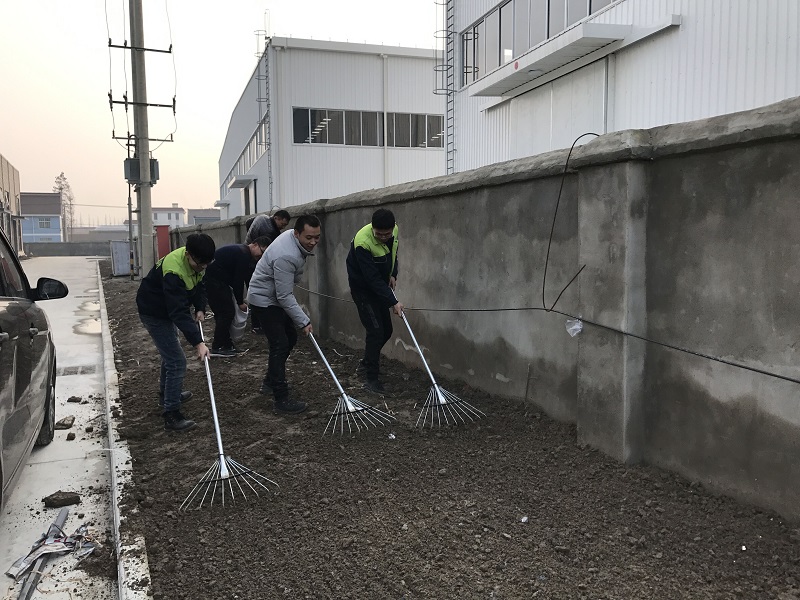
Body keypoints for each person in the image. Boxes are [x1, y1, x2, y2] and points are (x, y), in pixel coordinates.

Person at [136, 233, 215, 432]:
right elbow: (178, 312)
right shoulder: (174, 271)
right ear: (188, 255)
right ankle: (171, 414)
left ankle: (167, 394)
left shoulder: (199, 262)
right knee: (177, 361)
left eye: (207, 263)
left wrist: (200, 307)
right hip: (154, 312)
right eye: (200, 263)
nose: (203, 267)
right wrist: (198, 342)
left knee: (171, 355)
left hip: (166, 309)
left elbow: (199, 285)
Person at [248, 215, 321, 414]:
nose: (313, 242)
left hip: (272, 297)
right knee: (280, 343)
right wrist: (303, 320)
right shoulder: (286, 255)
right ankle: (281, 399)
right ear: (297, 233)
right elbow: (284, 295)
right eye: (309, 237)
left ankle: (270, 381)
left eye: (317, 237)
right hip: (264, 300)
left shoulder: (292, 238)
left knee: (289, 338)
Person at [346, 208, 404, 394]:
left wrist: (393, 274)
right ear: (373, 228)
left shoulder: (394, 231)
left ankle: (366, 363)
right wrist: (393, 301)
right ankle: (371, 379)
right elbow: (370, 278)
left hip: (380, 287)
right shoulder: (362, 242)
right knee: (376, 331)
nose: (383, 237)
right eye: (379, 234)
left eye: (386, 234)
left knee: (387, 330)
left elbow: (394, 252)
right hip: (363, 289)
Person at [204, 237, 270, 356]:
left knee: (224, 314)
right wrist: (240, 302)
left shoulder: (242, 252)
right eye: (262, 252)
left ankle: (227, 345)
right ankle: (218, 346)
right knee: (226, 313)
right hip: (215, 282)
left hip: (215, 281)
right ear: (254, 245)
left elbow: (244, 279)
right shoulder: (243, 254)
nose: (261, 256)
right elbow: (238, 280)